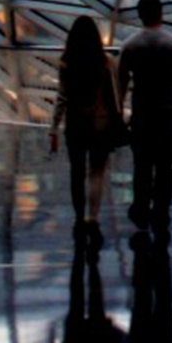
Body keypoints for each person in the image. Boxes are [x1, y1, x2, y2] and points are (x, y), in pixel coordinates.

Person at [118, 0, 172, 232]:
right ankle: (162, 212)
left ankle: (141, 209)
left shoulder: (130, 45)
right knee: (165, 166)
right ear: (161, 13)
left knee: (142, 165)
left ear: (140, 14)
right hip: (168, 114)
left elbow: (121, 84)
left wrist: (118, 116)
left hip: (142, 113)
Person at [51, 15, 123, 243]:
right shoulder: (106, 63)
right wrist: (118, 120)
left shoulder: (66, 64)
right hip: (101, 124)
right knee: (97, 173)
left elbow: (61, 98)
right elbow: (114, 96)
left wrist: (53, 128)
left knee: (76, 172)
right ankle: (93, 217)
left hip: (75, 124)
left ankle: (79, 217)